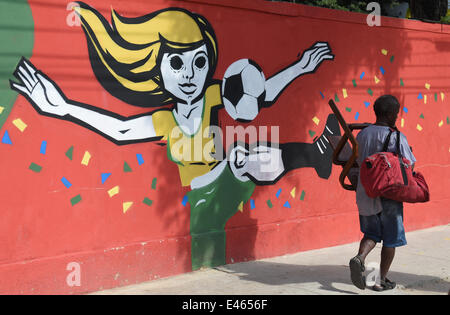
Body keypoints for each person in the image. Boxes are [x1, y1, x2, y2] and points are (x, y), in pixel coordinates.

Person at [10, 3, 338, 270]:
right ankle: (314, 156)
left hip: (226, 181)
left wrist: (300, 67)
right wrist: (62, 107)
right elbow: (121, 129)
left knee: (240, 158)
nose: (189, 74)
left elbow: (261, 95)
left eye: (199, 61)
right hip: (201, 199)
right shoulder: (165, 119)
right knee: (236, 170)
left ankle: (315, 156)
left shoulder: (214, 94)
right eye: (177, 62)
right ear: (157, 68)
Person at [349, 95, 416, 291]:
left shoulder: (362, 134)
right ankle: (379, 279)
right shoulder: (396, 136)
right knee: (390, 239)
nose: (397, 117)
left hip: (365, 192)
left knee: (371, 234)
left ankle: (359, 257)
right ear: (388, 114)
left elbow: (357, 159)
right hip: (388, 195)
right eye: (396, 113)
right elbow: (410, 163)